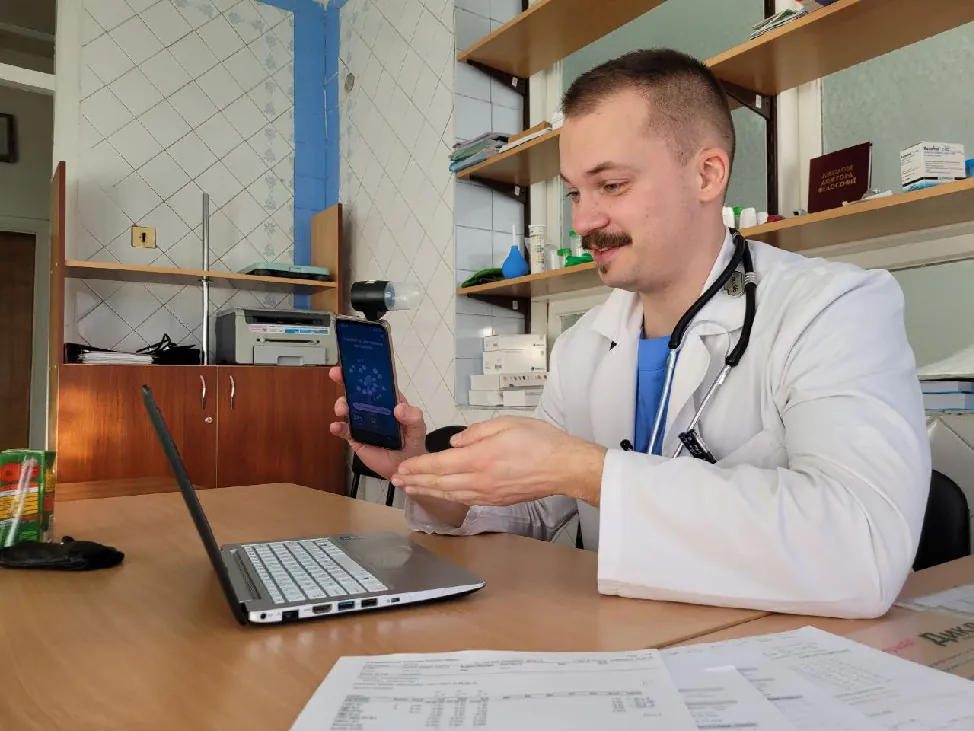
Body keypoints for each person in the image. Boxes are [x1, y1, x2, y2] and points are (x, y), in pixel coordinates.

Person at [331, 49, 930, 619]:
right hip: (611, 646)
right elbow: (536, 509)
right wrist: (424, 475)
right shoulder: (585, 342)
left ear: (707, 174)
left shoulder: (833, 308)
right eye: (574, 191)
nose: (584, 220)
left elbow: (865, 550)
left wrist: (587, 470)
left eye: (611, 185)